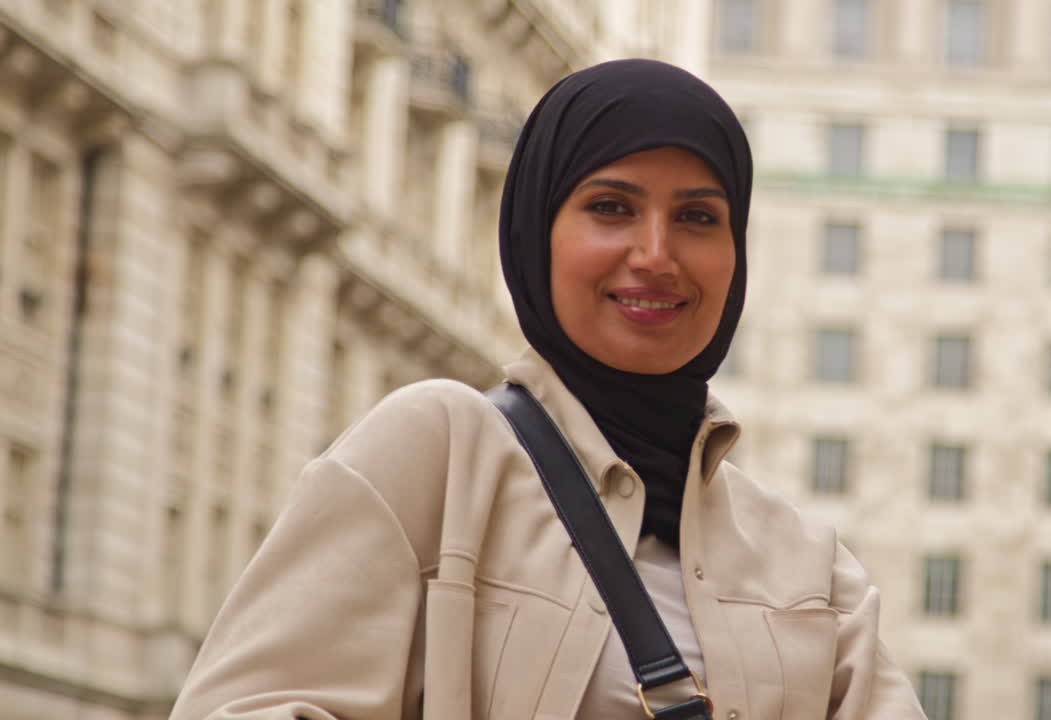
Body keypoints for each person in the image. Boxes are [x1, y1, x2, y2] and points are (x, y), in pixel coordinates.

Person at [170, 58, 926, 720]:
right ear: (537, 232)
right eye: (611, 208)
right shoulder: (439, 451)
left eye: (698, 217)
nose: (656, 254)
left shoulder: (810, 568)